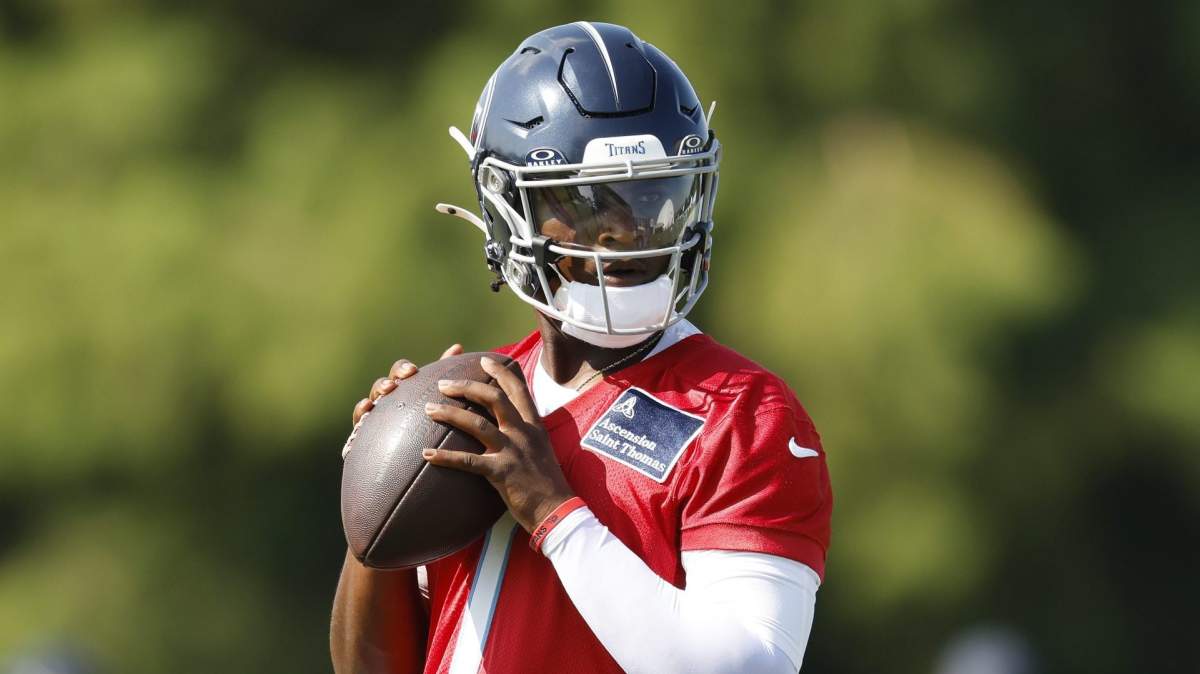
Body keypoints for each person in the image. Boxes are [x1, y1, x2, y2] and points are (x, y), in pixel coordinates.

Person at [331, 21, 832, 674]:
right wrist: (373, 494)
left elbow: (750, 668)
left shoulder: (744, 414)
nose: (628, 231)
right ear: (508, 209)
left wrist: (555, 513)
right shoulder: (477, 401)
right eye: (590, 202)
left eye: (655, 195)